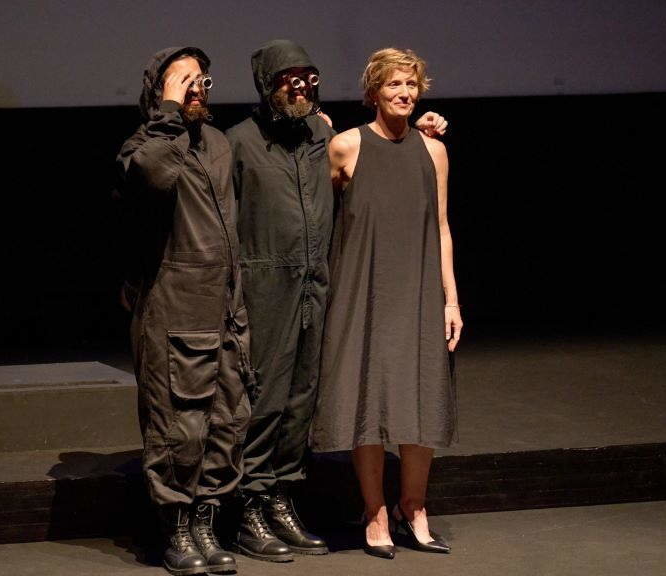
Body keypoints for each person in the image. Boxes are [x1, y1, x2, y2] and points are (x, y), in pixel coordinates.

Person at [226, 39, 449, 562]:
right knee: (264, 400)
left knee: (300, 400)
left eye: (307, 77)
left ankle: (279, 500)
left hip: (316, 288)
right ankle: (248, 511)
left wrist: (423, 132)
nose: (299, 87)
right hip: (265, 285)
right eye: (288, 78)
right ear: (266, 83)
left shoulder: (320, 132)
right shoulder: (238, 141)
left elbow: (383, 166)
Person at [310, 47, 463, 559]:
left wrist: (451, 300)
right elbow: (315, 215)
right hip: (362, 290)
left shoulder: (433, 150)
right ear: (374, 92)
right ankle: (375, 511)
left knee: (420, 398)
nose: (404, 93)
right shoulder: (346, 147)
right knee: (367, 399)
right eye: (394, 85)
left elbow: (441, 227)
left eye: (412, 86)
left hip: (419, 290)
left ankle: (413, 506)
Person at [117, 46, 253, 576]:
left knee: (225, 423)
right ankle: (175, 528)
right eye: (184, 80)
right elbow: (153, 176)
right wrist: (168, 114)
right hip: (174, 312)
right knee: (180, 426)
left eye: (203, 79)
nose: (198, 87)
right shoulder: (145, 146)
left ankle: (204, 523)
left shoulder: (217, 143)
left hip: (224, 309)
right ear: (161, 91)